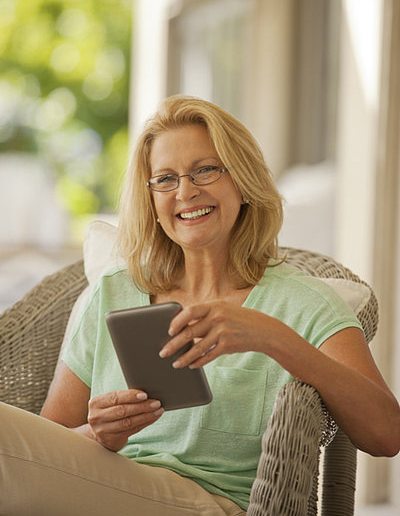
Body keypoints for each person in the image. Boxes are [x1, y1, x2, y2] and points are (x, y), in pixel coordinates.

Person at [1, 95, 399, 516]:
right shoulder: (114, 291)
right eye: (166, 179)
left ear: (242, 183)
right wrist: (97, 435)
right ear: (152, 201)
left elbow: (386, 435)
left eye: (205, 170)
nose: (186, 192)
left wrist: (273, 338)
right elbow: (42, 448)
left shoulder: (303, 301)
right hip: (104, 484)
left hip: (208, 502)